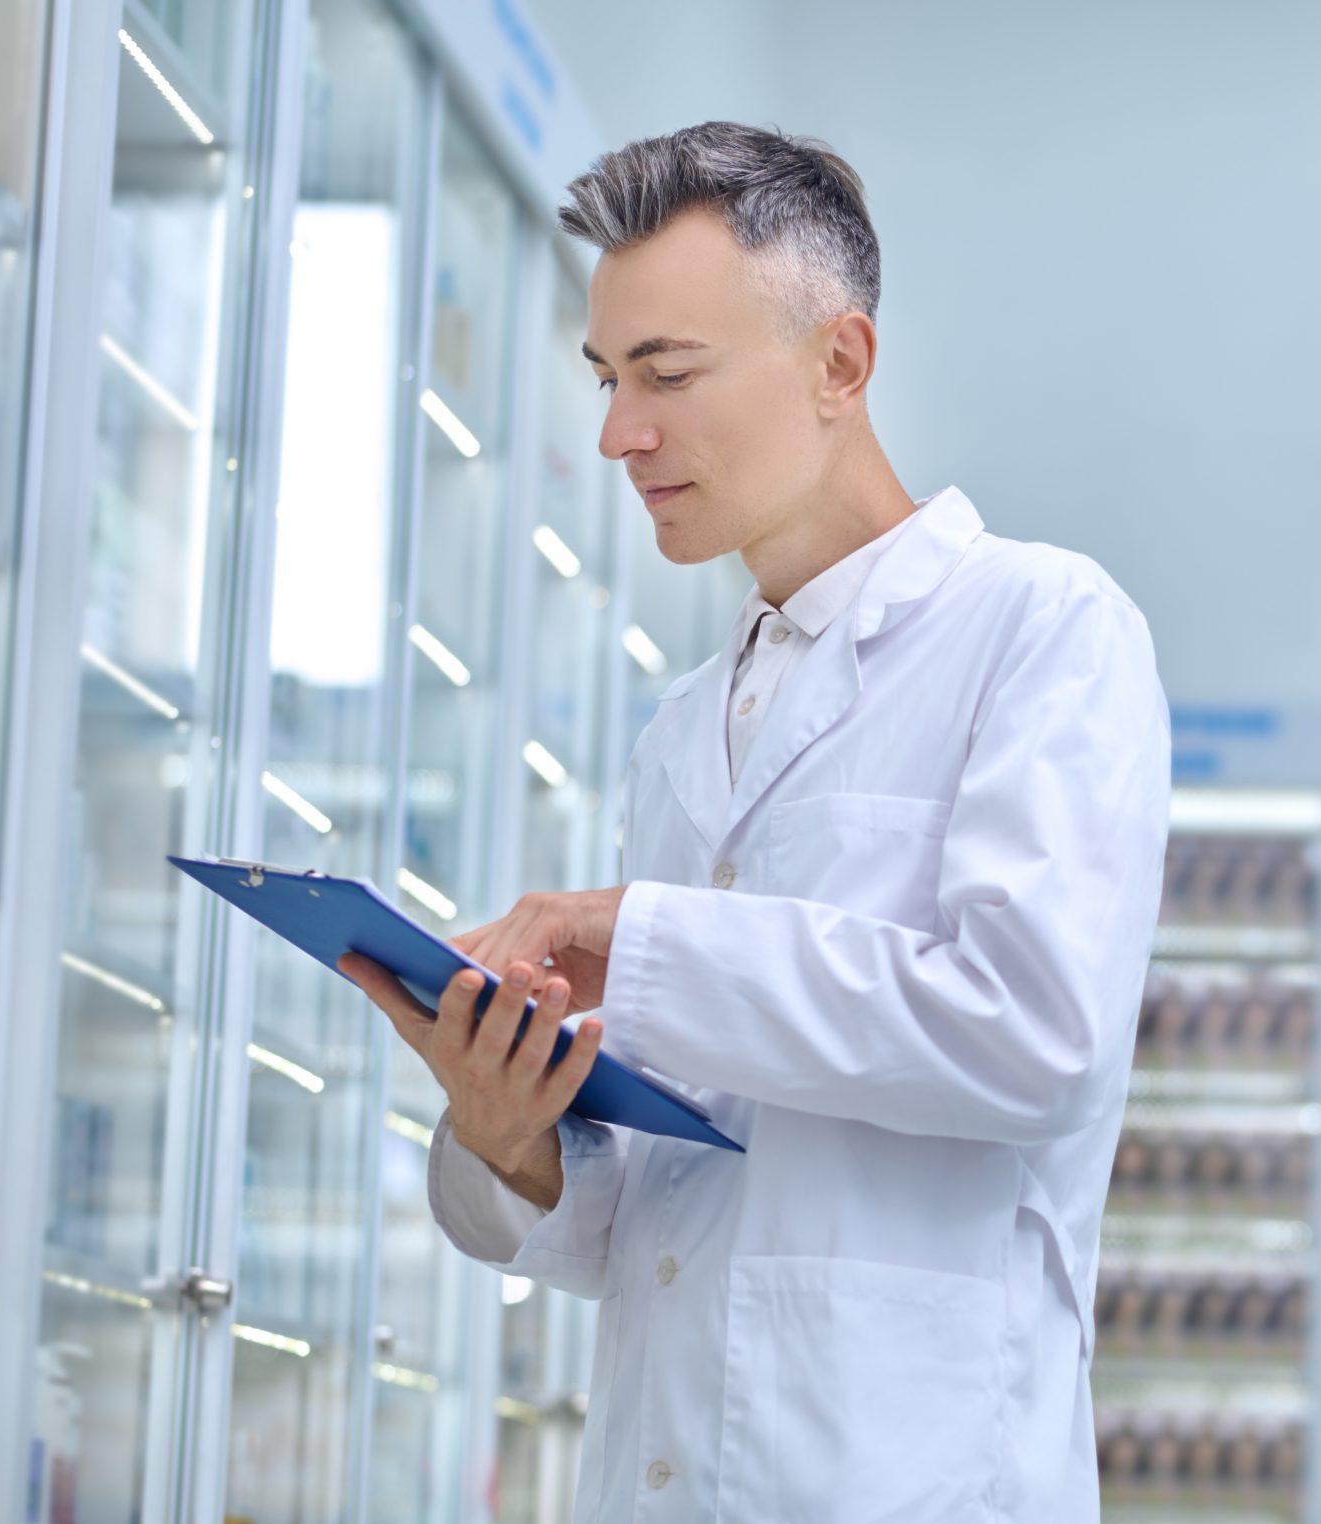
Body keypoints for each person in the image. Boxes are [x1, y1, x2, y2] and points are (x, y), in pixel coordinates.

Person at [338, 122, 1170, 1522]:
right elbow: (665, 1213)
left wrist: (642, 938)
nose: (618, 433)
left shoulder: (1042, 629)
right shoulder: (682, 731)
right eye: (607, 379)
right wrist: (512, 1131)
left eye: (666, 372)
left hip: (915, 1478)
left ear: (840, 363)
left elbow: (1040, 1040)